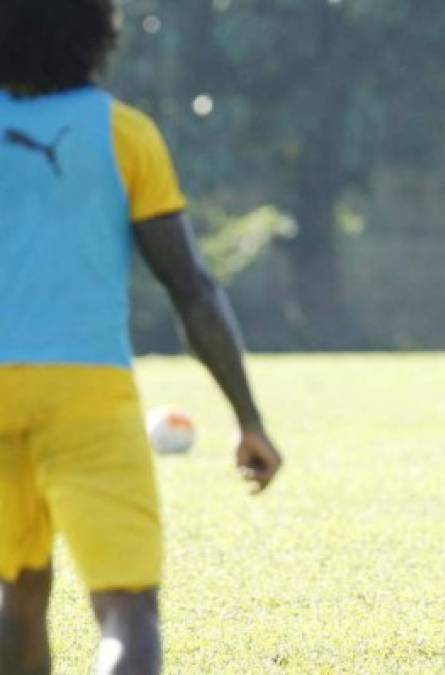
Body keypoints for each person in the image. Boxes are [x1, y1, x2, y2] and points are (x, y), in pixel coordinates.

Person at [0, 1, 283, 673]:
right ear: (98, 33)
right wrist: (248, 418)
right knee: (126, 610)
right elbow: (191, 288)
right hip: (88, 394)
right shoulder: (124, 134)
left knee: (14, 597)